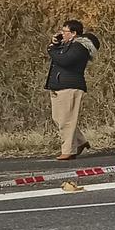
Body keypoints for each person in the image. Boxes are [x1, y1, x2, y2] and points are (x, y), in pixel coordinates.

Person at [45, 20, 101, 161]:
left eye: (65, 32)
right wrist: (56, 44)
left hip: (70, 86)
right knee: (58, 118)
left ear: (74, 33)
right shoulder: (66, 45)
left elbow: (64, 60)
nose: (62, 34)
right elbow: (59, 56)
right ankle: (81, 141)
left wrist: (52, 49)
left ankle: (68, 150)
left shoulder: (80, 47)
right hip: (58, 85)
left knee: (67, 121)